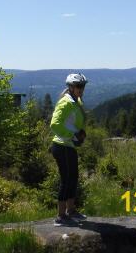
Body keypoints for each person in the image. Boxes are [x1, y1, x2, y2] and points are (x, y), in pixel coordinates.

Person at [49, 73, 88, 226]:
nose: (81, 89)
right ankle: (60, 216)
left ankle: (71, 211)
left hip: (68, 145)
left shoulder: (75, 101)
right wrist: (72, 135)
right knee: (66, 180)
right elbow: (55, 124)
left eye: (82, 86)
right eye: (78, 86)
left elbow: (73, 122)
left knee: (73, 178)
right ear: (71, 87)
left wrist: (80, 133)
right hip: (62, 145)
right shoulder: (65, 102)